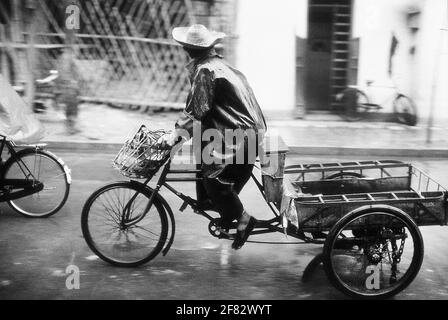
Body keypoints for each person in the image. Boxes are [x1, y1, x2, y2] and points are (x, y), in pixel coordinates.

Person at [159, 24, 267, 250]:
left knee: (213, 179)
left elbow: (195, 111)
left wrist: (174, 136)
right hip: (247, 132)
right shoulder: (221, 65)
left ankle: (244, 220)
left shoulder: (205, 70)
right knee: (205, 165)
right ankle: (226, 216)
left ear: (187, 49)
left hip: (238, 135)